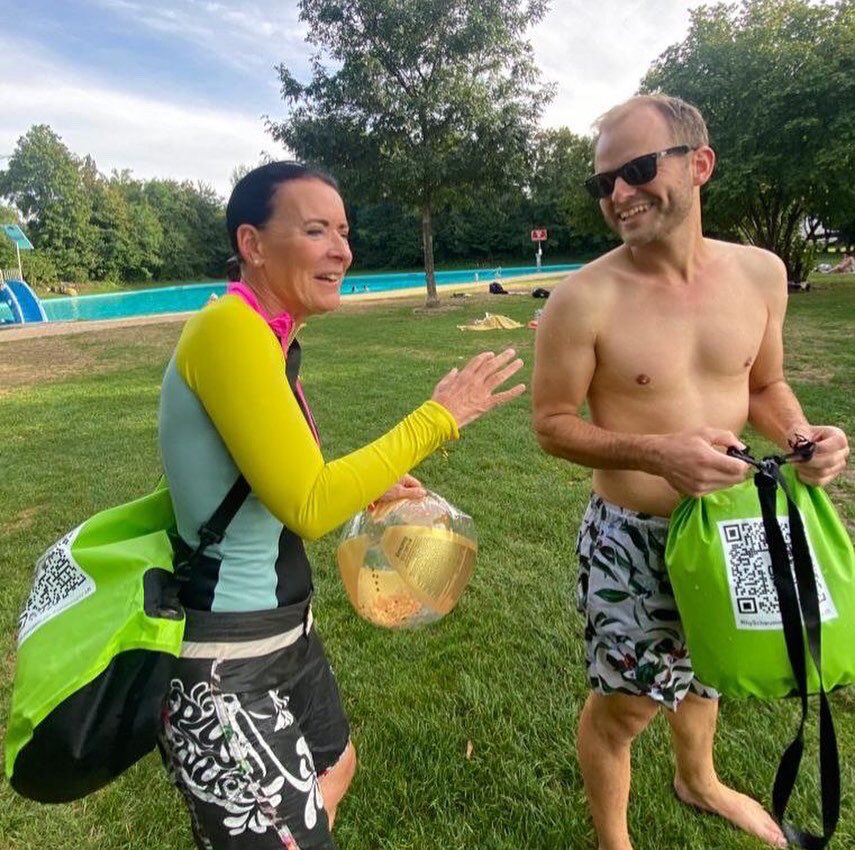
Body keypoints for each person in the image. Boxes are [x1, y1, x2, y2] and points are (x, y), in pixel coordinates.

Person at [157, 160, 525, 850]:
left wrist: (376, 485)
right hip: (225, 664)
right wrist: (438, 417)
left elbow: (280, 478)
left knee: (336, 763)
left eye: (344, 231)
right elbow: (310, 505)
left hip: (285, 635)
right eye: (316, 229)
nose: (342, 250)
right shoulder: (229, 331)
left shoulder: (269, 339)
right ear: (253, 243)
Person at [531, 95, 849, 850]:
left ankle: (697, 780)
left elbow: (763, 386)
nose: (616, 194)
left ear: (697, 164)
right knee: (627, 707)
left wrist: (802, 438)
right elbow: (549, 425)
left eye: (636, 170)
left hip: (733, 522)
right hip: (633, 539)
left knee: (709, 667)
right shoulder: (583, 299)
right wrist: (654, 451)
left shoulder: (760, 274)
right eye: (602, 182)